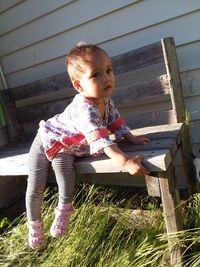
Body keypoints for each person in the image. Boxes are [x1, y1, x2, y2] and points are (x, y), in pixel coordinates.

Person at [26, 42, 150, 249]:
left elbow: (114, 121)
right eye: (96, 75)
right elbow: (102, 140)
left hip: (69, 148)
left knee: (65, 173)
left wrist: (131, 138)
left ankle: (64, 210)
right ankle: (34, 225)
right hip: (47, 140)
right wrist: (126, 162)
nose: (106, 78)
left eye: (109, 70)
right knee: (36, 184)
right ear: (78, 85)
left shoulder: (105, 100)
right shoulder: (84, 108)